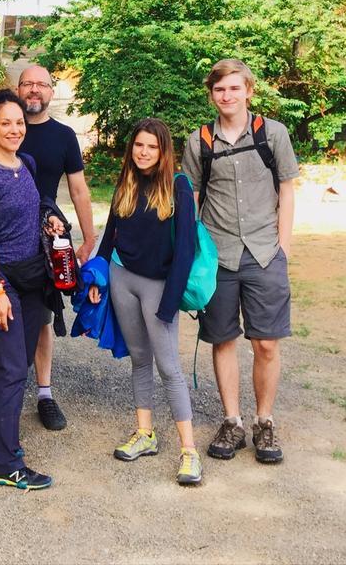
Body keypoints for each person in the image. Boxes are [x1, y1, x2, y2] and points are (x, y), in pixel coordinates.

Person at [181, 59, 299, 464]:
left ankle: (264, 421)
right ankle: (231, 420)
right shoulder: (198, 143)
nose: (227, 96)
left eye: (234, 88)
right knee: (223, 338)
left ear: (249, 90)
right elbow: (190, 199)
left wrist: (283, 245)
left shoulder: (274, 135)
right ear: (211, 95)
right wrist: (190, 255)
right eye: (219, 90)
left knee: (266, 342)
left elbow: (287, 187)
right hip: (219, 256)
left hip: (266, 253)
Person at [0, 64, 95, 431]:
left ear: (51, 90)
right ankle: (1, 391)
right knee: (2, 322)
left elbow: (78, 189)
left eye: (40, 84)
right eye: (27, 84)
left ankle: (44, 393)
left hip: (43, 246)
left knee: (42, 320)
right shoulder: (3, 127)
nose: (33, 90)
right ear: (17, 89)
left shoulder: (63, 136)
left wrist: (89, 238)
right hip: (3, 243)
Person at [94, 118, 202, 485]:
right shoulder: (125, 181)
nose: (143, 153)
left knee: (169, 367)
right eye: (138, 146)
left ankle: (189, 452)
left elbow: (186, 248)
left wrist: (170, 303)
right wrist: (97, 277)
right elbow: (110, 235)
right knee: (140, 359)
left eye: (151, 147)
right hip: (122, 277)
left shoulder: (179, 186)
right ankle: (146, 434)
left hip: (159, 286)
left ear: (163, 150)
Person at [0, 89, 62, 491]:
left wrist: (50, 221)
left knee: (19, 360)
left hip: (31, 279)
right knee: (10, 370)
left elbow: (35, 207)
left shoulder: (26, 163)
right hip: (1, 279)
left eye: (19, 123)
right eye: (5, 123)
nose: (14, 129)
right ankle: (5, 464)